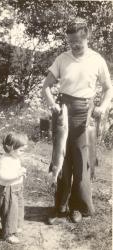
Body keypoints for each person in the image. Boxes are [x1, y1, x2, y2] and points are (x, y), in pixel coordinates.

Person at [42, 18, 113, 224]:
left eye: (77, 42)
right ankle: (60, 207)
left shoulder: (97, 60)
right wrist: (51, 104)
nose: (73, 45)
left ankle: (78, 207)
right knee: (61, 160)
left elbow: (109, 88)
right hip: (63, 111)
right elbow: (46, 86)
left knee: (82, 163)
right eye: (70, 41)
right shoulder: (62, 59)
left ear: (86, 38)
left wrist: (102, 106)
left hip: (85, 114)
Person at [0, 132, 28, 243]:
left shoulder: (15, 157)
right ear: (10, 148)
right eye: (21, 150)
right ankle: (8, 234)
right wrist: (18, 175)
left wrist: (21, 172)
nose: (23, 153)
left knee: (18, 209)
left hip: (17, 189)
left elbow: (15, 171)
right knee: (10, 211)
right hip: (8, 190)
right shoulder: (5, 160)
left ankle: (16, 227)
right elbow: (3, 176)